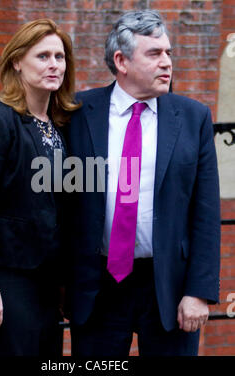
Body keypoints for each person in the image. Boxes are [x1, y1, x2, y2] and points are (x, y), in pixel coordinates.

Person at [64, 10, 221, 356]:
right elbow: (61, 200)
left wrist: (199, 291)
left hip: (169, 284)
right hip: (97, 285)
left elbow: (206, 212)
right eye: (154, 54)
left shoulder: (193, 117)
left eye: (168, 53)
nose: (167, 62)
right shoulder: (77, 112)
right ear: (121, 60)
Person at [0, 18, 80, 356]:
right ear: (16, 62)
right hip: (2, 278)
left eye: (60, 56)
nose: (54, 64)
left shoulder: (59, 126)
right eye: (42, 56)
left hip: (44, 286)